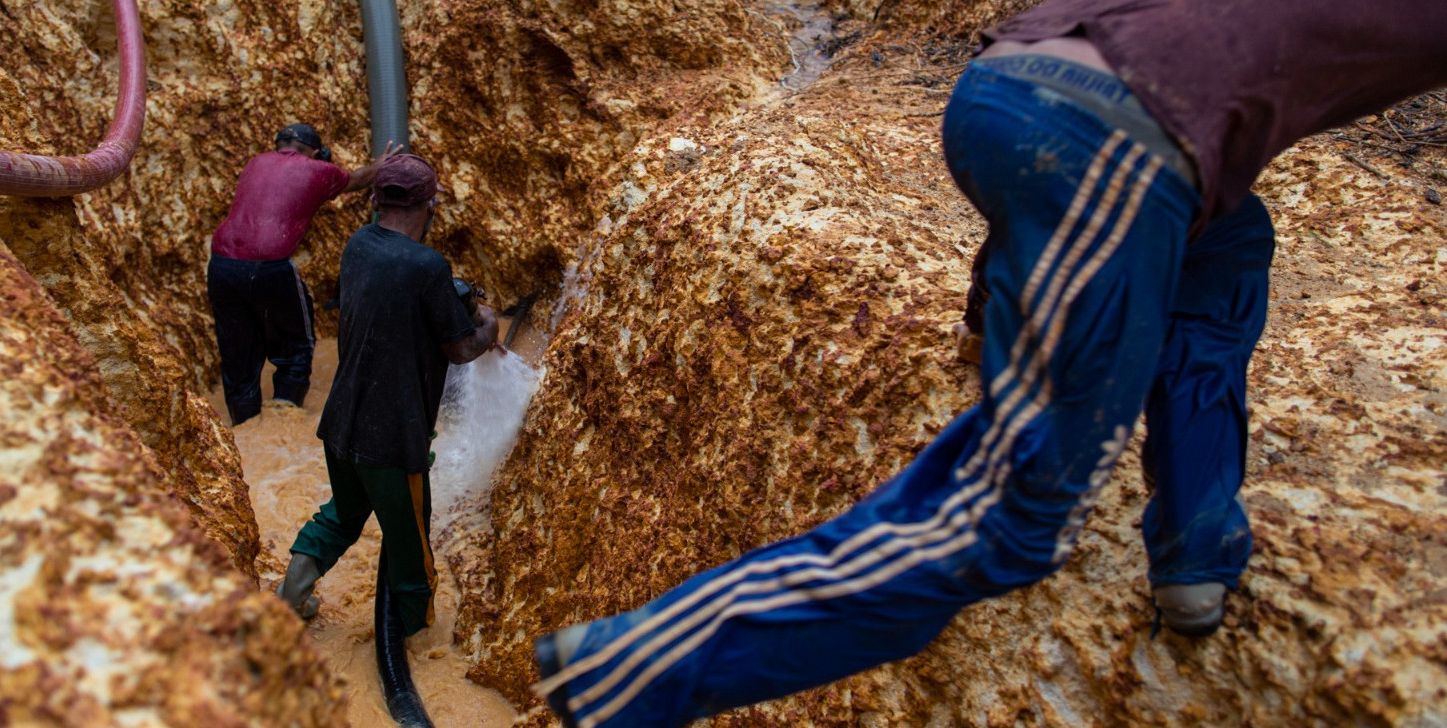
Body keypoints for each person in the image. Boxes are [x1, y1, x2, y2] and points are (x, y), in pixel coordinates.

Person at [530, 2, 1447, 726]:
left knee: (1227, 246)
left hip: (1016, 86)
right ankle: (637, 670)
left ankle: (1195, 540)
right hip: (1117, 132)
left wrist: (993, 307)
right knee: (1017, 517)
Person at [274, 153, 502, 727]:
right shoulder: (427, 266)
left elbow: (396, 297)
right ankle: (419, 646)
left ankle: (287, 604)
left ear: (376, 201)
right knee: (412, 549)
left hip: (340, 422)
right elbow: (459, 347)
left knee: (341, 517)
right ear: (429, 206)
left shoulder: (358, 245)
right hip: (392, 435)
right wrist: (487, 323)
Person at [207, 123, 394, 425]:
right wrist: (380, 164)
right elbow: (360, 179)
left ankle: (245, 429)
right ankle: (284, 419)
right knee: (296, 345)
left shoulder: (255, 162)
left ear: (278, 146)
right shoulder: (320, 170)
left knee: (237, 350)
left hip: (221, 263)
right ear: (318, 153)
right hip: (271, 263)